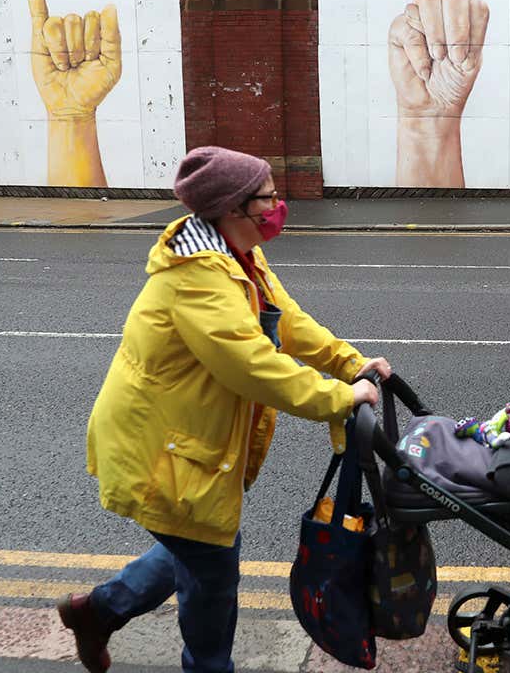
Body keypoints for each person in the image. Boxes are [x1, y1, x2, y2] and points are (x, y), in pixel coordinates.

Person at [57, 146, 390, 673]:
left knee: (194, 549)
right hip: (161, 447)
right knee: (212, 577)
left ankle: (98, 612)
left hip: (189, 441)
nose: (278, 205)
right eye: (268, 197)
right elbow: (250, 364)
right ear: (234, 208)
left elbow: (289, 322)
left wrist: (349, 363)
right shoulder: (197, 276)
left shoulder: (238, 255)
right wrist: (337, 397)